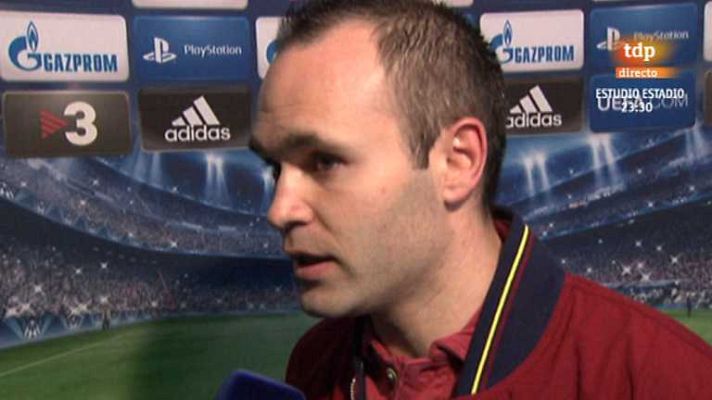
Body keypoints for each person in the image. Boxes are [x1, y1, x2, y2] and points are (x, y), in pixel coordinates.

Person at [250, 0, 712, 398]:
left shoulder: (660, 378)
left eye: (325, 161)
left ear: (458, 161)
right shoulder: (314, 363)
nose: (279, 209)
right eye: (275, 168)